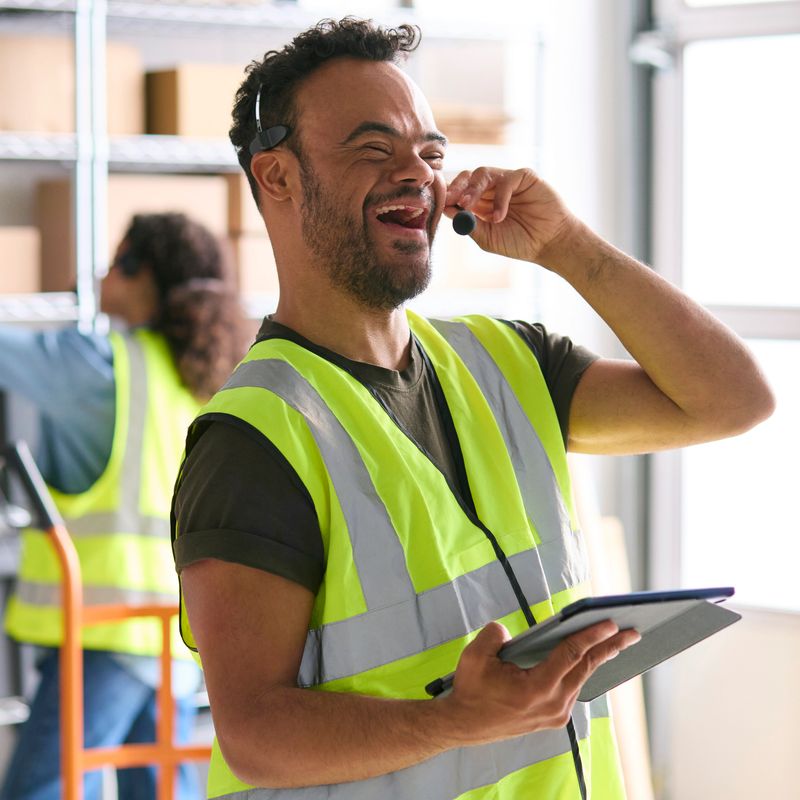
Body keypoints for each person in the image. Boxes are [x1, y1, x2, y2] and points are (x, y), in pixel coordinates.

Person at [171, 18, 775, 800]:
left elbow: (732, 400)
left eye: (430, 151)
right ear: (278, 177)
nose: (416, 175)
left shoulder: (505, 363)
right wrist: (455, 720)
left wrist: (567, 245)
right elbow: (255, 737)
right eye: (373, 148)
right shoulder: (256, 437)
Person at [0, 212, 249, 799]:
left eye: (116, 260)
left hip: (112, 632)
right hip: (178, 633)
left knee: (42, 787)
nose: (100, 271)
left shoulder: (100, 367)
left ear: (141, 273)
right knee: (160, 787)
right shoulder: (202, 376)